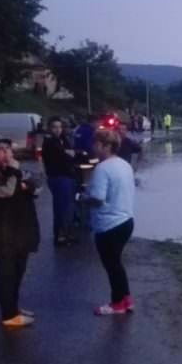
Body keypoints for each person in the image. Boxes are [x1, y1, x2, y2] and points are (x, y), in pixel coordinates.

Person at [0, 135, 41, 329]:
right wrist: (16, 178)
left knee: (19, 271)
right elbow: (5, 192)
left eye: (8, 148)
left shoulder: (15, 170)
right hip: (3, 232)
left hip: (22, 228)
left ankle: (14, 307)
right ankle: (8, 314)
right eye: (0, 149)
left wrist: (25, 184)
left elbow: (36, 186)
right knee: (7, 273)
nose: (6, 153)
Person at [83, 129, 135, 316]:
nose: (93, 147)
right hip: (126, 220)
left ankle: (117, 303)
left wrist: (82, 197)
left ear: (106, 146)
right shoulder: (124, 165)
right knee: (117, 263)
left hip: (109, 224)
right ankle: (127, 299)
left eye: (96, 144)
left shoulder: (102, 168)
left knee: (112, 265)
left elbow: (97, 198)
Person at [41, 116, 77, 245]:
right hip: (58, 177)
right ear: (50, 128)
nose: (57, 130)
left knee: (68, 206)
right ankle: (60, 235)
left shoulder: (62, 139)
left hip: (67, 176)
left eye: (59, 127)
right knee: (61, 207)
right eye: (54, 127)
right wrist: (68, 153)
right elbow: (63, 155)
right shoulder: (50, 141)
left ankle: (67, 233)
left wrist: (70, 153)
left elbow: (71, 153)